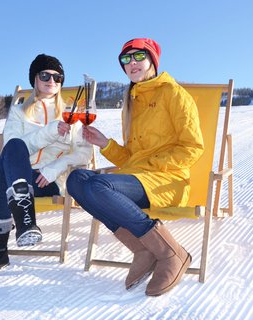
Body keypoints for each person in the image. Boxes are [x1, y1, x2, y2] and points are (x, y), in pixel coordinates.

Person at [66, 38, 204, 296]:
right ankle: (142, 250)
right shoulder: (132, 101)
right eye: (126, 60)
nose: (132, 63)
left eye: (139, 56)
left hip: (167, 180)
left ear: (153, 60)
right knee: (76, 180)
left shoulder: (174, 94)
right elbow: (132, 157)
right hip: (138, 177)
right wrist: (105, 144)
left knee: (98, 185)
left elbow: (193, 148)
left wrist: (152, 165)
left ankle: (171, 252)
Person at [0, 54, 92, 280]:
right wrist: (48, 132)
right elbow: (12, 149)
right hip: (21, 176)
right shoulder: (19, 112)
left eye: (57, 77)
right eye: (45, 75)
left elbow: (85, 153)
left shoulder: (72, 114)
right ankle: (24, 218)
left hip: (49, 182)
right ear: (34, 79)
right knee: (9, 154)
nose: (52, 81)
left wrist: (55, 168)